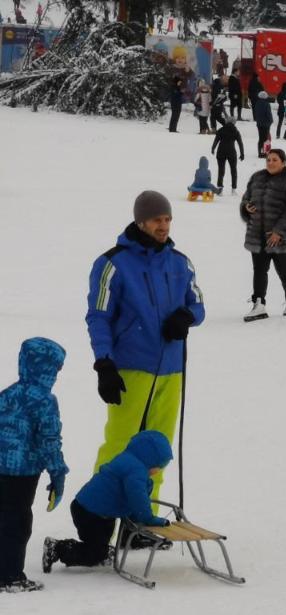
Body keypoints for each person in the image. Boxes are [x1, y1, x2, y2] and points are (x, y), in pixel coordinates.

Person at [86, 191, 205, 503]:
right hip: (130, 369)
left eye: (167, 219)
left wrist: (186, 316)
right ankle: (99, 523)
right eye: (157, 220)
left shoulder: (181, 263)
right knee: (119, 446)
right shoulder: (112, 264)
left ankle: (143, 519)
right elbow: (98, 316)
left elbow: (198, 305)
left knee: (158, 449)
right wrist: (104, 364)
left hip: (171, 370)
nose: (163, 226)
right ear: (141, 222)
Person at [42, 431, 173, 574]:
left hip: (99, 512)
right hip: (89, 513)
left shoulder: (129, 461)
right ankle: (56, 549)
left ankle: (102, 552)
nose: (159, 470)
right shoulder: (135, 472)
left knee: (101, 544)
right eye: (160, 465)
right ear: (150, 459)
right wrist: (148, 519)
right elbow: (137, 498)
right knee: (94, 553)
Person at [0, 337, 68, 592]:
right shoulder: (44, 401)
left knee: (3, 519)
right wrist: (57, 472)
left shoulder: (8, 394)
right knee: (17, 523)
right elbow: (49, 440)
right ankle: (9, 576)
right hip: (22, 473)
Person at [240, 149, 286, 320]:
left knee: (283, 270)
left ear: (283, 162)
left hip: (282, 237)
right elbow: (245, 199)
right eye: (268, 159)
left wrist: (279, 232)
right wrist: (246, 207)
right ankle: (259, 304)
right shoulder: (257, 177)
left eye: (274, 160)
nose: (270, 162)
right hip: (258, 235)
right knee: (259, 270)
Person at [210, 119, 245, 193]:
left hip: (221, 152)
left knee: (221, 170)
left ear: (226, 122)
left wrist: (213, 148)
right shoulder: (236, 131)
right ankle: (233, 189)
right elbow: (240, 143)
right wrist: (242, 154)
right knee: (233, 170)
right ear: (234, 123)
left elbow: (216, 140)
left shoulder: (221, 130)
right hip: (231, 152)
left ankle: (220, 188)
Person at [253, 90, 273, 157]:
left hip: (259, 124)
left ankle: (260, 153)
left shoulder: (257, 103)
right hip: (266, 124)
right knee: (266, 139)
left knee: (260, 139)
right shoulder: (267, 104)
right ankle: (265, 153)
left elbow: (256, 113)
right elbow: (268, 114)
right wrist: (271, 121)